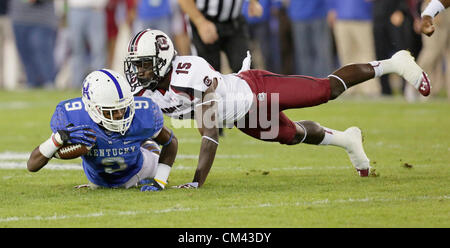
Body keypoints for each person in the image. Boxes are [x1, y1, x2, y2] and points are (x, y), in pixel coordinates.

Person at [124, 29, 431, 188]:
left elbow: (210, 130)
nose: (139, 71)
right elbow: (149, 133)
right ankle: (347, 139)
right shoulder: (147, 92)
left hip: (255, 89)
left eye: (143, 64)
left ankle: (394, 62)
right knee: (293, 135)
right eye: (136, 65)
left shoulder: (189, 71)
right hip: (243, 115)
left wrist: (196, 181)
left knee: (327, 90)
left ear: (162, 60)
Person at [27, 69, 178, 191]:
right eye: (110, 111)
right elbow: (32, 165)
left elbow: (171, 141)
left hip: (140, 169)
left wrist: (160, 180)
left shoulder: (142, 112)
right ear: (92, 108)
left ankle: (148, 144)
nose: (119, 116)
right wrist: (58, 139)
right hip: (97, 179)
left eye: (123, 108)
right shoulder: (73, 117)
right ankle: (143, 140)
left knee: (143, 135)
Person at [178, 0, 263, 136]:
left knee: (246, 69)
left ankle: (256, 120)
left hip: (234, 21)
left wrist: (253, 2)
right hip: (205, 18)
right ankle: (212, 128)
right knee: (206, 78)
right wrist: (200, 22)